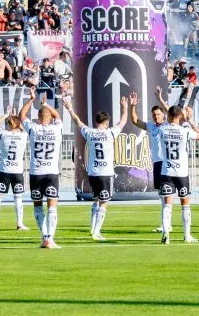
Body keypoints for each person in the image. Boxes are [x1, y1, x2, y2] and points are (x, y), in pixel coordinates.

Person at [64, 96, 128, 241]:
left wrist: (70, 109)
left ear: (95, 122)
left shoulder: (90, 133)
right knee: (104, 202)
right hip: (106, 173)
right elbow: (123, 122)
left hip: (93, 173)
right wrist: (125, 107)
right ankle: (96, 232)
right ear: (107, 123)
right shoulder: (110, 133)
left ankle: (92, 228)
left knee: (96, 200)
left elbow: (77, 122)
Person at [19, 86, 63, 249]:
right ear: (50, 117)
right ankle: (50, 239)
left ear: (37, 117)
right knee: (52, 206)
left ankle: (44, 237)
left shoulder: (34, 129)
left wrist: (32, 99)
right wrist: (47, 104)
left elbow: (21, 116)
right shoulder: (57, 128)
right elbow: (58, 116)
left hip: (35, 173)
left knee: (37, 206)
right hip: (51, 173)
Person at [158, 105, 199, 244]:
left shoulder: (162, 129)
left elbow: (165, 122)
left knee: (167, 205)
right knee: (185, 204)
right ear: (180, 117)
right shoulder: (185, 131)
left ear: (168, 116)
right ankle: (187, 235)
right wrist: (190, 121)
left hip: (166, 172)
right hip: (182, 173)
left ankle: (166, 233)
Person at [130, 87, 169, 232]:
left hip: (168, 163)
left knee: (166, 194)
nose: (156, 117)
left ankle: (166, 224)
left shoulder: (168, 124)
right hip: (157, 163)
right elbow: (134, 120)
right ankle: (166, 222)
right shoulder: (152, 126)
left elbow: (172, 112)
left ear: (163, 115)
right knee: (161, 195)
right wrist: (132, 106)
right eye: (154, 115)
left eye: (158, 114)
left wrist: (160, 99)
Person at [0, 108, 29, 231]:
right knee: (18, 198)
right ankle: (20, 223)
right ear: (19, 124)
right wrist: (17, 121)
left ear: (9, 124)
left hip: (4, 171)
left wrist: (6, 115)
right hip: (17, 172)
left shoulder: (4, 134)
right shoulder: (23, 136)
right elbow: (26, 130)